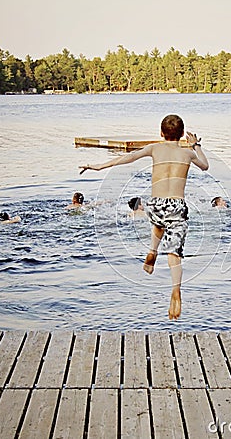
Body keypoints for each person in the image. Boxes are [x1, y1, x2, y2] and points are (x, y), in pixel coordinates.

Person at [79, 114, 209, 320]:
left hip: (154, 203)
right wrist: (196, 145)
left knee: (158, 224)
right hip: (176, 205)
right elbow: (205, 165)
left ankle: (152, 250)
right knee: (174, 253)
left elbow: (127, 158)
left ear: (161, 133)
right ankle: (176, 290)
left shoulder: (153, 148)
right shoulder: (188, 154)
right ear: (183, 135)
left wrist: (98, 166)